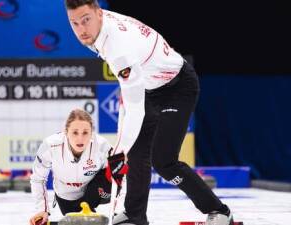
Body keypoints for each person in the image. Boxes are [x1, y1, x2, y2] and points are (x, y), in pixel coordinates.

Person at [64, 1, 235, 225]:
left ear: (99, 14)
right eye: (74, 23)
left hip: (178, 87)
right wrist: (123, 150)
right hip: (147, 86)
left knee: (163, 161)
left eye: (86, 20)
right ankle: (135, 215)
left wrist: (118, 152)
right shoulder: (97, 28)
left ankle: (220, 211)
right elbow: (128, 99)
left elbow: (134, 107)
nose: (81, 29)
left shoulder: (118, 47)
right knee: (136, 153)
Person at [29, 109, 112, 225]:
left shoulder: (102, 146)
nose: (80, 138)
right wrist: (42, 210)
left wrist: (120, 213)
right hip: (66, 197)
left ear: (92, 133)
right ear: (66, 132)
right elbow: (38, 179)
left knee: (116, 170)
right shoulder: (50, 146)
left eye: (85, 132)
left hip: (95, 192)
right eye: (75, 132)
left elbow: (120, 178)